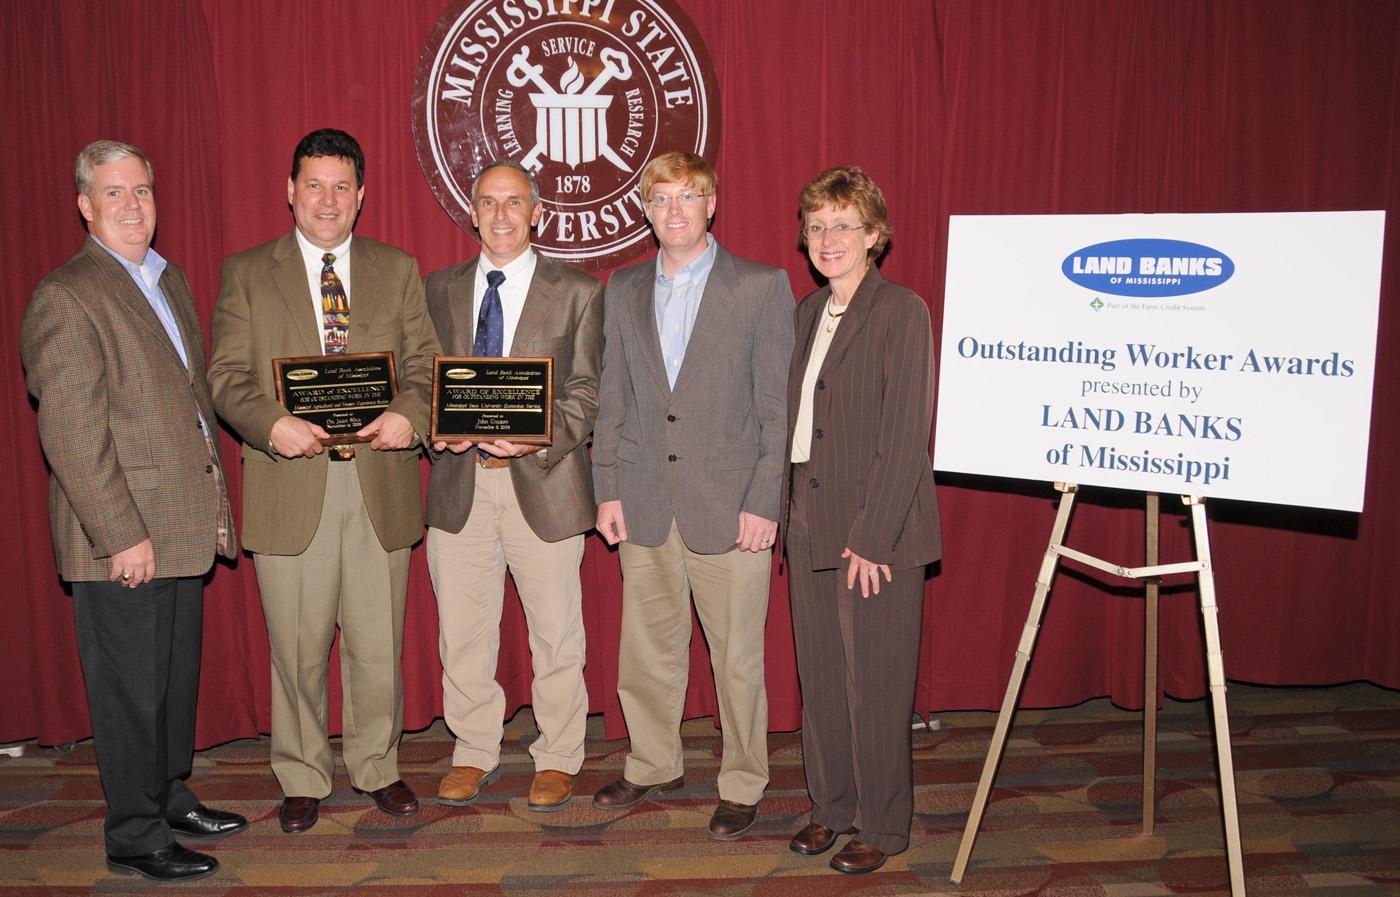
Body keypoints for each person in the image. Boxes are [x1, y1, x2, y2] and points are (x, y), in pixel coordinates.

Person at [20, 140, 246, 883]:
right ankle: (134, 832)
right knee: (128, 693)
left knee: (170, 684)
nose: (132, 205)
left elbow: (186, 402)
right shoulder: (68, 294)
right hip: (124, 538)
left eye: (142, 190)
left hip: (179, 526)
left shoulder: (166, 277)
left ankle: (169, 795)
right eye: (113, 193)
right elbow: (73, 435)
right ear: (84, 204)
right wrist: (122, 534)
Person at [208, 128, 440, 834]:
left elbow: (427, 365)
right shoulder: (248, 272)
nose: (328, 199)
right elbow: (225, 377)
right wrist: (268, 423)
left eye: (342, 186)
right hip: (291, 481)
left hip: (378, 485)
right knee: (297, 648)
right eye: (314, 184)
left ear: (362, 195)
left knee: (378, 645)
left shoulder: (397, 268)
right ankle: (303, 772)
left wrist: (408, 414)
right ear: (289, 190)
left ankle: (377, 765)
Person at [590, 151, 795, 840]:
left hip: (732, 504)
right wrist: (607, 486)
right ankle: (652, 762)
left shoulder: (762, 287)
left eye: (689, 196)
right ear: (643, 209)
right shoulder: (619, 289)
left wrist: (767, 498)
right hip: (645, 496)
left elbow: (778, 409)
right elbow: (612, 396)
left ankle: (742, 781)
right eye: (661, 198)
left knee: (737, 655)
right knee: (645, 648)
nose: (674, 209)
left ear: (713, 203)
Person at [424, 160, 603, 811]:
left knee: (556, 632)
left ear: (537, 214)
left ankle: (558, 753)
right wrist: (430, 427)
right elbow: (422, 386)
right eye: (488, 202)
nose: (501, 215)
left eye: (514, 202)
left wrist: (540, 434)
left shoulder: (579, 290)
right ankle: (473, 748)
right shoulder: (436, 289)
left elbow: (587, 392)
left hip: (544, 483)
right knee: (463, 632)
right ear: (471, 212)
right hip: (460, 486)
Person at [782, 166, 941, 874]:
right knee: (820, 680)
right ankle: (833, 806)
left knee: (874, 686)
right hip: (810, 524)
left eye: (843, 224)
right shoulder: (805, 313)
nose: (828, 238)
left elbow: (906, 436)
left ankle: (883, 821)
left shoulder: (901, 310)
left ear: (874, 235)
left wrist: (872, 537)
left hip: (877, 537)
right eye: (817, 226)